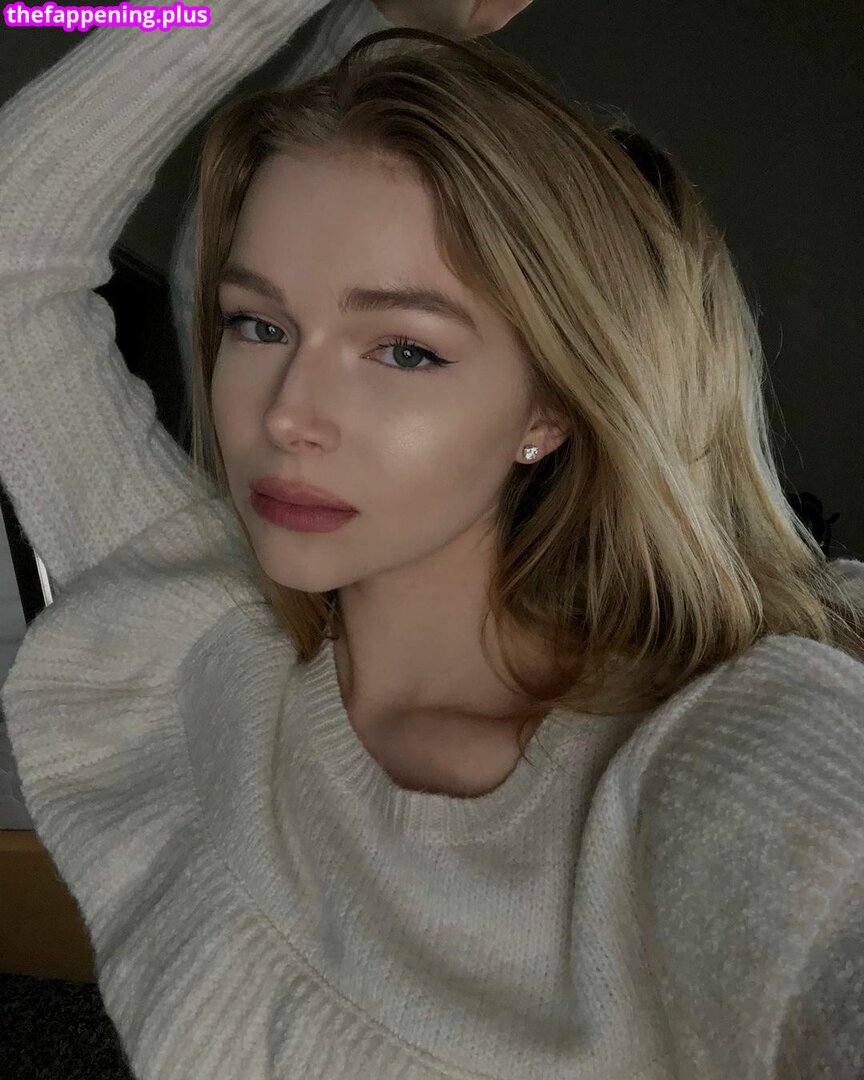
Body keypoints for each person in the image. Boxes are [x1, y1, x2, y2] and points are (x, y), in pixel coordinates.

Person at [1, 1, 863, 1078]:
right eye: (259, 325)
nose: (287, 416)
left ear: (550, 407)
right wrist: (382, 17)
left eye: (404, 350)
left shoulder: (709, 753)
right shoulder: (197, 644)